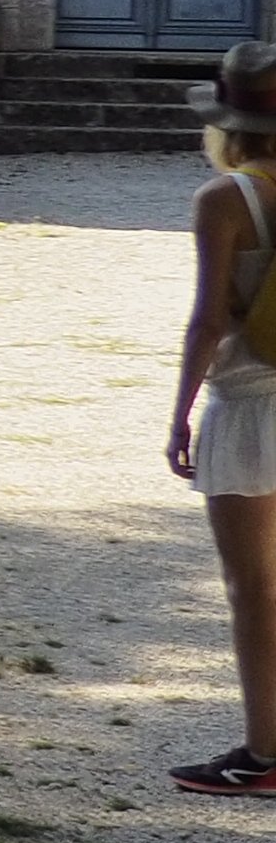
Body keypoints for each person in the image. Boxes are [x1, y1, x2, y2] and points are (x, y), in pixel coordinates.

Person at [163, 45, 276, 792]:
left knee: (255, 587)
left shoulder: (227, 198)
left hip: (251, 404)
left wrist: (177, 415)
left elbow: (208, 322)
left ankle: (265, 753)